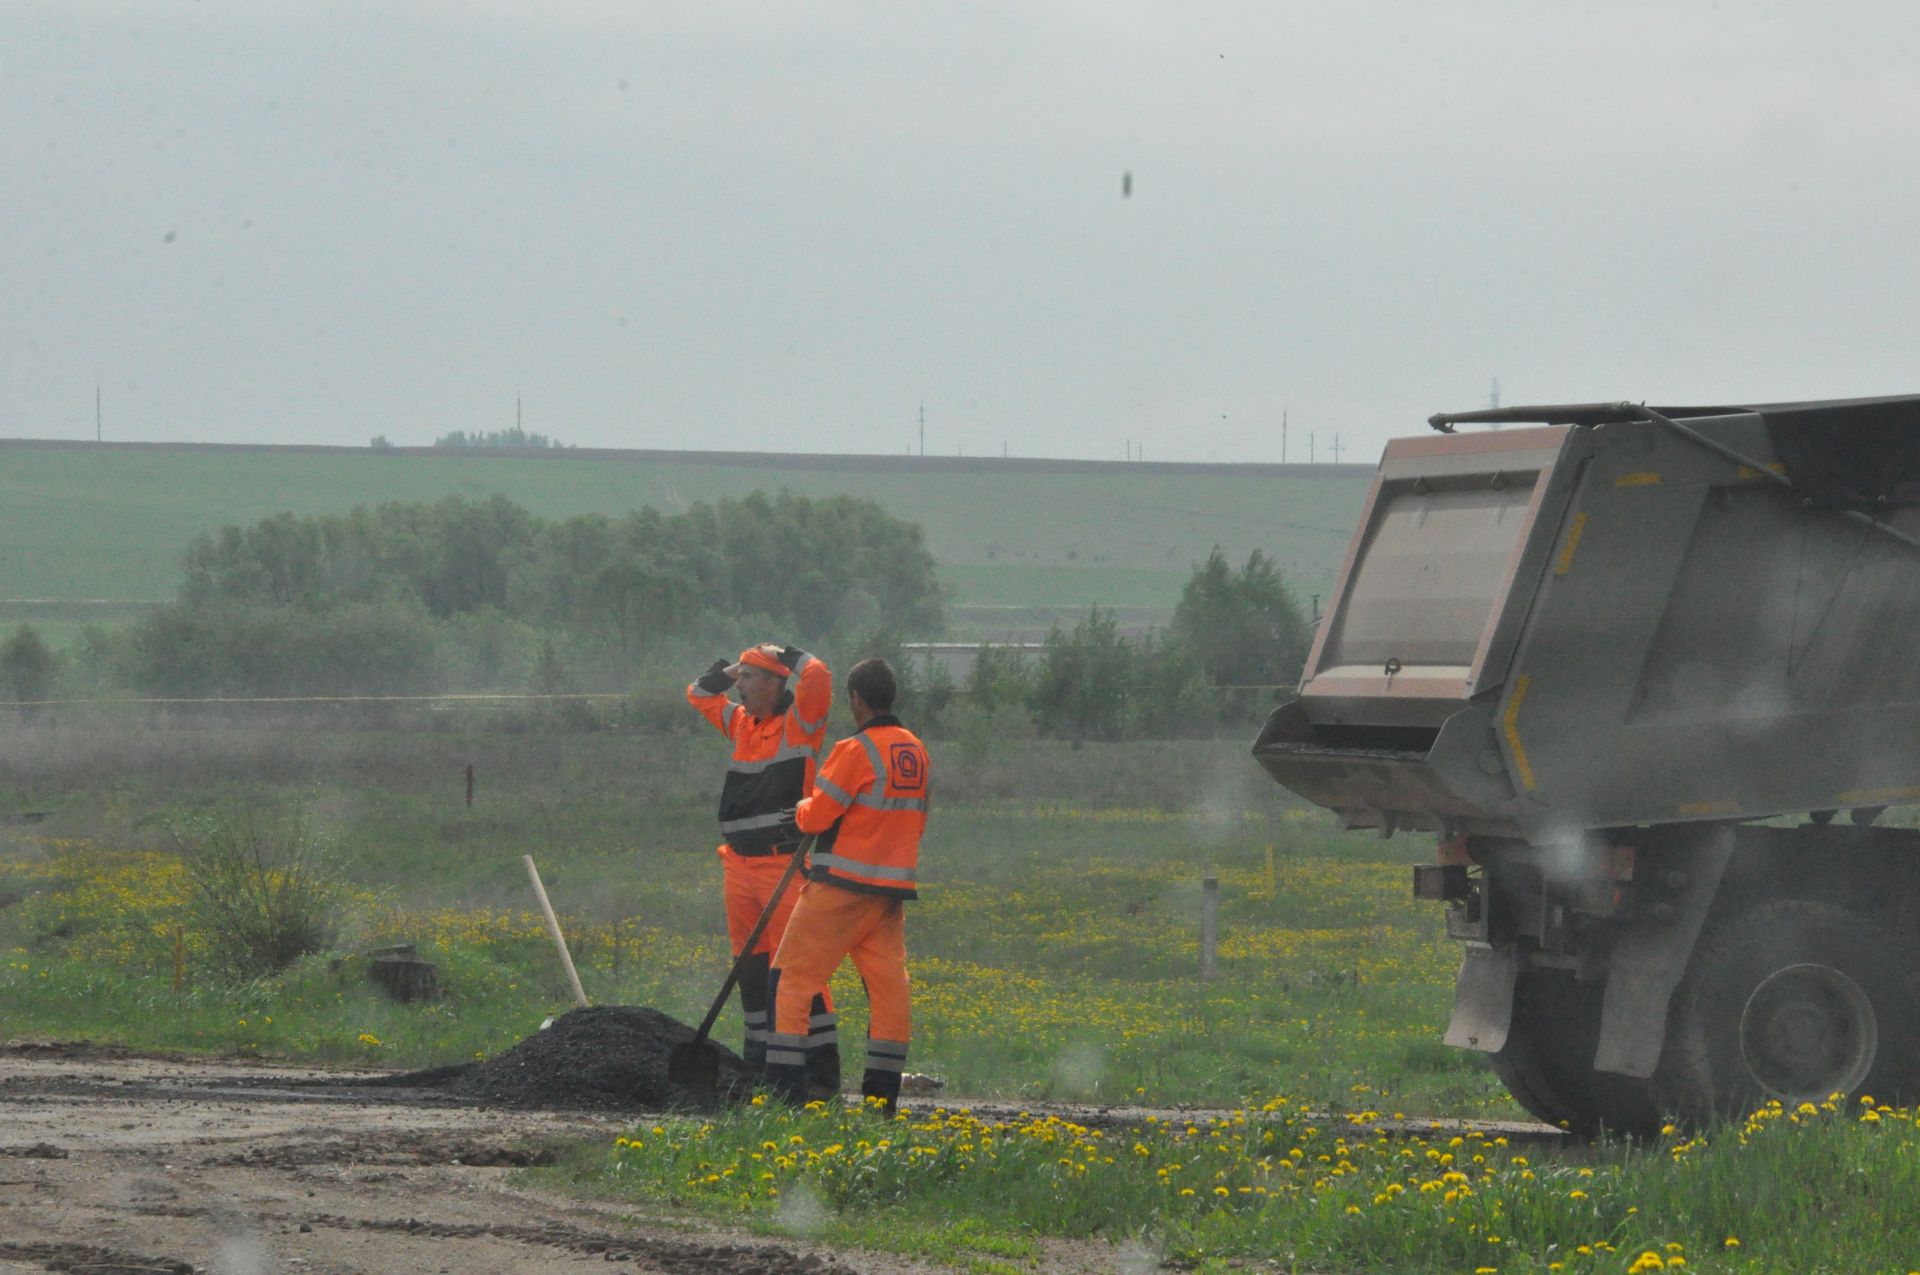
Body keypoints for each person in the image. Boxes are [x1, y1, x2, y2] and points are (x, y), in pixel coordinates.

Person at [765, 657, 929, 1114]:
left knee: (791, 980)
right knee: (889, 992)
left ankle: (786, 1098)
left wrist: (799, 811)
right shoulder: (915, 750)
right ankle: (881, 1103)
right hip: (889, 896)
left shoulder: (856, 750)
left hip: (840, 889)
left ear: (856, 699)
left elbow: (819, 815)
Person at [686, 642, 839, 1093]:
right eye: (742, 678)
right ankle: (758, 1067)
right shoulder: (740, 723)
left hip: (783, 865)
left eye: (752, 678)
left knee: (795, 969)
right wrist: (732, 669)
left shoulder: (800, 725)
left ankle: (818, 1074)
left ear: (776, 683)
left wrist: (785, 653)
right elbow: (698, 693)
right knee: (751, 969)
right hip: (737, 866)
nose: (742, 687)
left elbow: (820, 677)